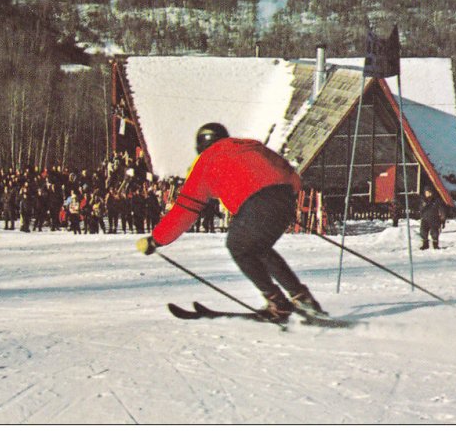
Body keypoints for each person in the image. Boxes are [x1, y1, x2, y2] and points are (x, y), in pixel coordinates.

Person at [135, 122, 325, 321]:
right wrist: (278, 201)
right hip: (285, 199)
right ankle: (303, 299)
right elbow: (292, 176)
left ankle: (277, 302)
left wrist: (156, 240)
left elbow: (185, 210)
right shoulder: (251, 146)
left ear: (200, 147)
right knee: (259, 249)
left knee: (238, 246)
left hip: (256, 205)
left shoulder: (206, 162)